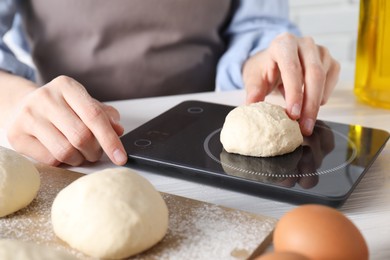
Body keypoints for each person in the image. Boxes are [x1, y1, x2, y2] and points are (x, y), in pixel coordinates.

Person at [0, 0, 340, 167]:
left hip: (203, 139)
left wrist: (267, 57)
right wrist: (15, 98)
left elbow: (257, 23)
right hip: (67, 140)